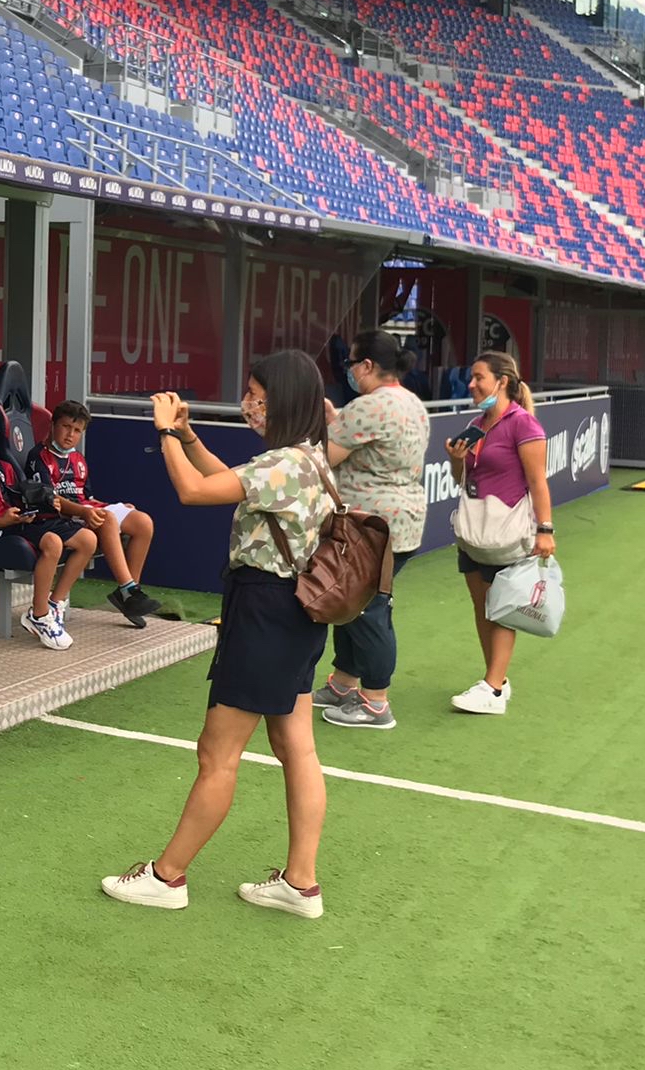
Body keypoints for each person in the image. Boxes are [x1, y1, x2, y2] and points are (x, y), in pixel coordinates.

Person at [102, 352, 334, 920]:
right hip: (299, 613)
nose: (248, 403)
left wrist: (164, 434)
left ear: (282, 400)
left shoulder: (282, 463)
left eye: (257, 394)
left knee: (217, 753)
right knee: (297, 747)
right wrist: (188, 436)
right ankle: (300, 883)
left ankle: (167, 876)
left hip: (264, 611)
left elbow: (193, 491)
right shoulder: (308, 458)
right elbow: (226, 479)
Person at [312, 330, 431, 731]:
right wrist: (338, 421)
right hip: (400, 521)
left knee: (366, 608)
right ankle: (344, 684)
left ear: (366, 365)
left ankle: (376, 700)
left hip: (370, 524)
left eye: (351, 363)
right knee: (353, 600)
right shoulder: (411, 402)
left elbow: (325, 458)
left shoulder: (369, 406)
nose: (347, 370)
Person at [444, 350, 555, 716]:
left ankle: (492, 689)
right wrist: (456, 459)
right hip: (474, 531)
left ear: (502, 381)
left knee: (503, 608)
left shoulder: (524, 425)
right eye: (472, 378)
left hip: (507, 532)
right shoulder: (477, 424)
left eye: (479, 377)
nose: (471, 384)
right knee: (482, 606)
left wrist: (545, 530)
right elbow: (463, 479)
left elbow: (538, 481)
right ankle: (497, 680)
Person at [0, 403, 98, 651]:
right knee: (52, 542)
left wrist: (41, 505)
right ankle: (39, 615)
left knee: (88, 540)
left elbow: (22, 498)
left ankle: (54, 604)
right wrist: (2, 521)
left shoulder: (4, 467)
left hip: (17, 523)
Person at [25, 400, 164, 628]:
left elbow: (86, 496)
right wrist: (86, 512)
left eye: (77, 430)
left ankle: (130, 594)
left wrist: (113, 505)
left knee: (142, 522)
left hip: (83, 508)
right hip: (61, 516)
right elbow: (49, 499)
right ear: (52, 425)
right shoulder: (38, 456)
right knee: (107, 519)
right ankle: (128, 590)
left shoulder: (78, 458)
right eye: (66, 426)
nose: (70, 434)